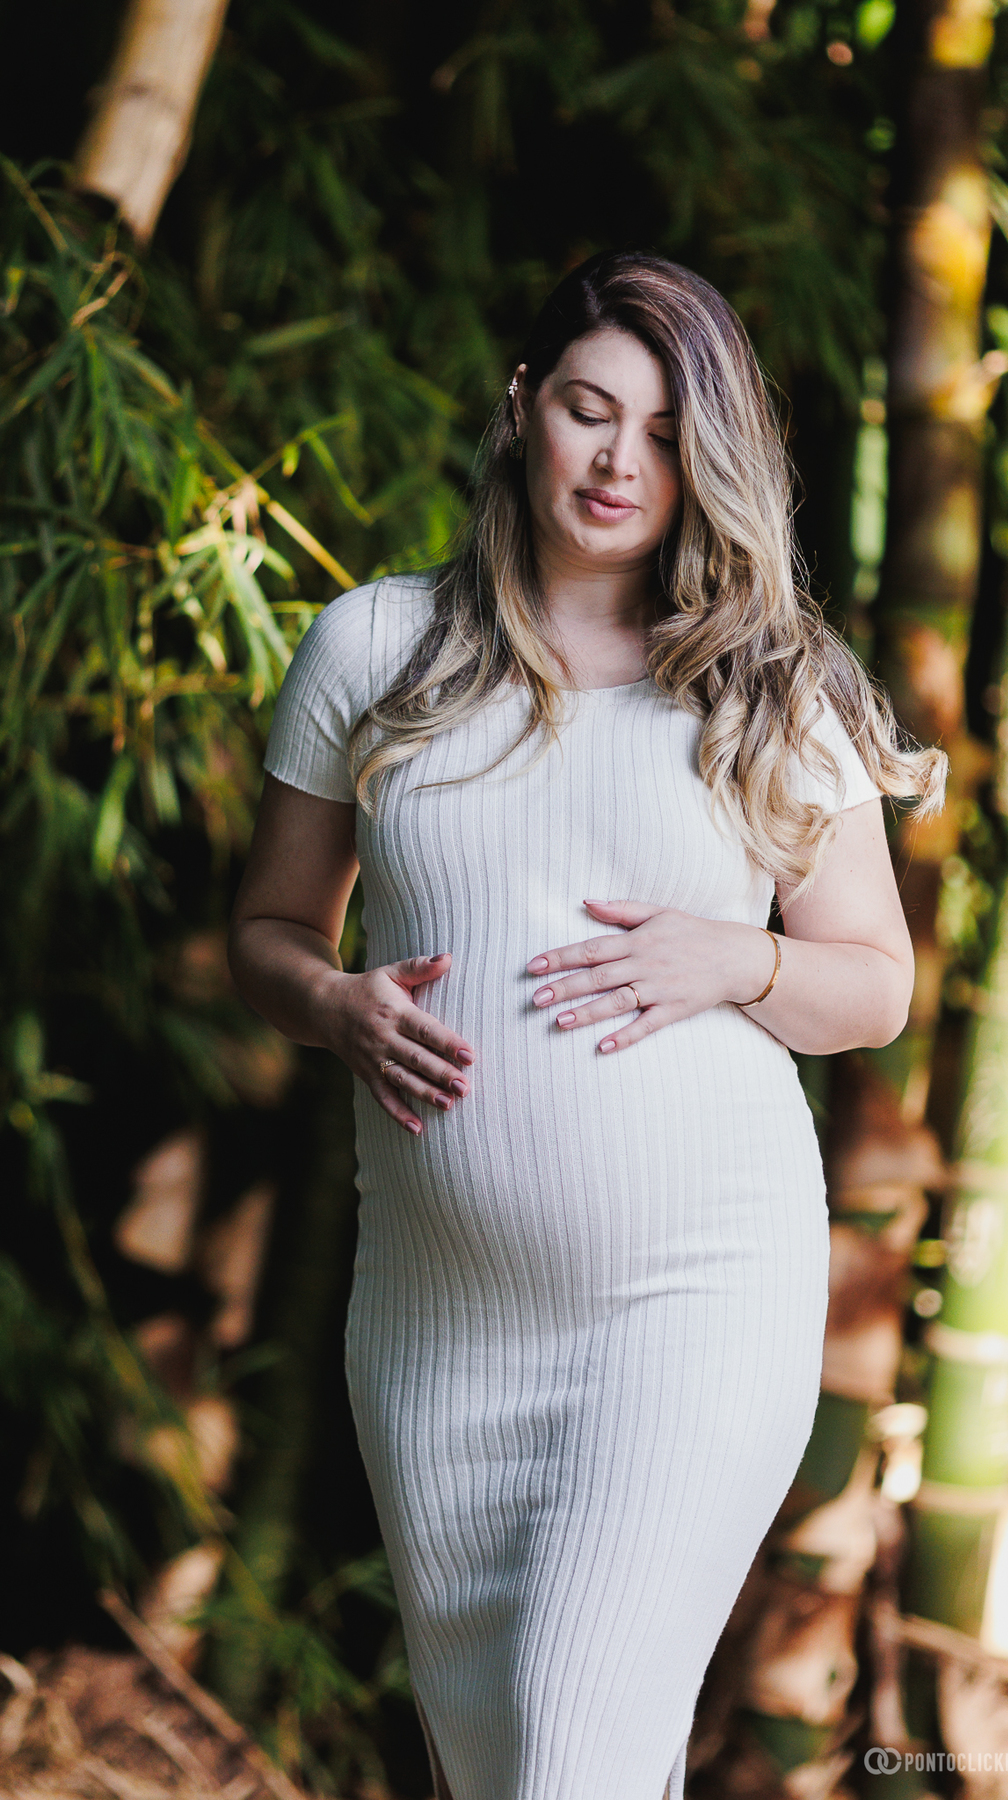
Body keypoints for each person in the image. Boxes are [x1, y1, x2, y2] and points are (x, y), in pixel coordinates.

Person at [227, 250, 945, 1800]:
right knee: (503, 1767)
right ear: (523, 407)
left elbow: (876, 985)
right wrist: (336, 1003)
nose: (622, 462)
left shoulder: (765, 685)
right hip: (437, 1323)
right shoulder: (374, 648)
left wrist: (736, 961)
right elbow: (269, 934)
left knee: (569, 1750)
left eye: (669, 434)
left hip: (694, 1301)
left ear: (713, 460)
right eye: (589, 409)